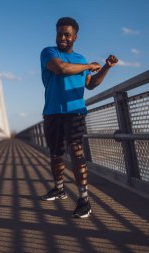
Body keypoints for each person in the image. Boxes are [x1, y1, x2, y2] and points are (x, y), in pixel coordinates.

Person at [40, 17, 118, 218]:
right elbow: (61, 69)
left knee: (76, 152)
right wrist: (88, 66)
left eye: (67, 34)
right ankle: (59, 189)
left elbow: (91, 84)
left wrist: (106, 67)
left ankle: (84, 199)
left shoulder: (81, 59)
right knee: (56, 154)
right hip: (52, 112)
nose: (62, 37)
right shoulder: (49, 53)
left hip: (74, 112)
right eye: (59, 34)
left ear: (75, 36)